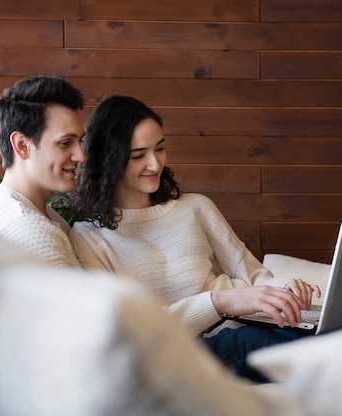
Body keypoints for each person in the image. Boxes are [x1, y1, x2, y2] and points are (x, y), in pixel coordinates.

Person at [69, 95, 321, 382]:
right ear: (109, 160)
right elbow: (131, 334)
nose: (155, 164)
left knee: (340, 328)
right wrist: (218, 302)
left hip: (245, 323)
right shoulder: (88, 238)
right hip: (182, 351)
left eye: (160, 148)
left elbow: (253, 275)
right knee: (250, 341)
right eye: (139, 155)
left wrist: (284, 288)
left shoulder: (195, 207)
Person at [0, 75, 85, 268]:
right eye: (65, 143)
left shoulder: (36, 211)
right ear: (22, 146)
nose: (80, 156)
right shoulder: (28, 233)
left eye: (80, 141)